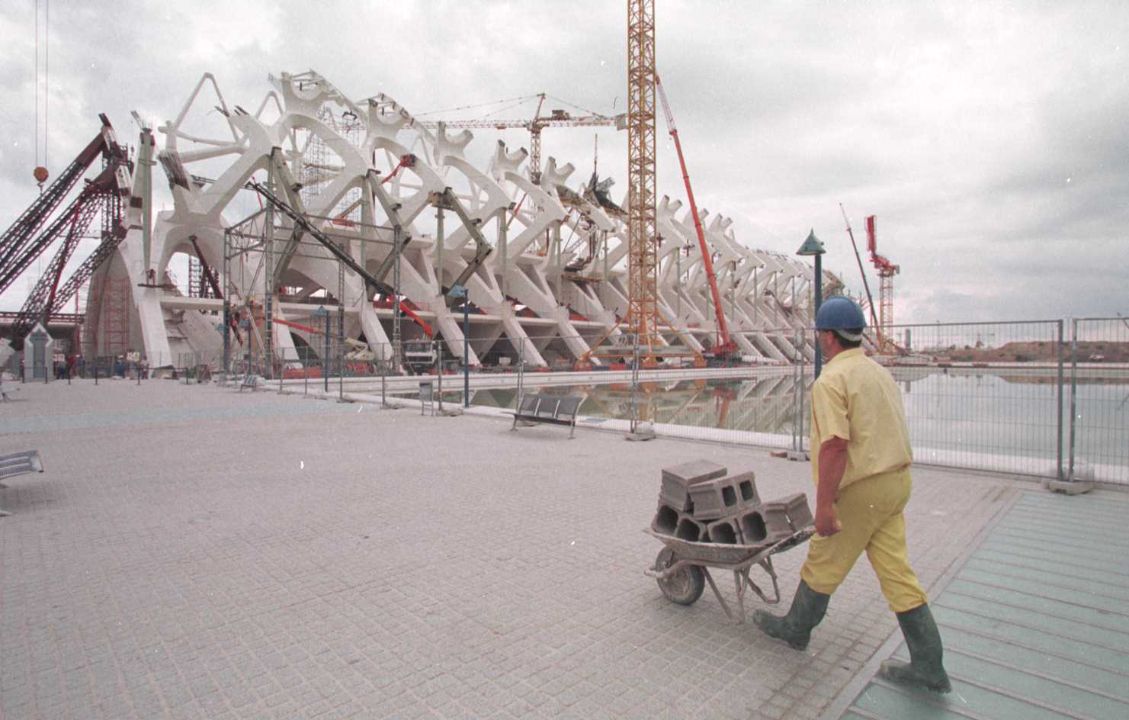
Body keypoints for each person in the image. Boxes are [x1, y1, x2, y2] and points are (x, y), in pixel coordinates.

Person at [753, 296, 951, 694]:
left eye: (819, 334)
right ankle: (930, 665)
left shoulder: (831, 381)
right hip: (896, 482)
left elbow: (835, 447)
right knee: (898, 573)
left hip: (862, 490)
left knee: (824, 559)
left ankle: (796, 628)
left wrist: (825, 506)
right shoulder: (878, 372)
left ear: (827, 337)